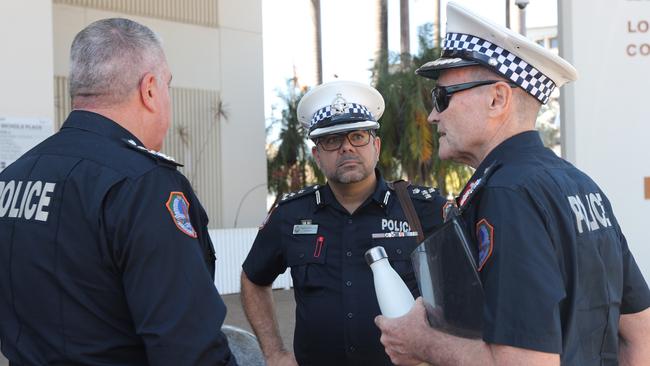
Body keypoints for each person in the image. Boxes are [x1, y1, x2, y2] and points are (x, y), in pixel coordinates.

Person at [375, 3, 650, 366]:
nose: (432, 115)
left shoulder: (507, 194)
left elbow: (527, 361)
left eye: (442, 97)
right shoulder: (581, 185)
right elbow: (639, 337)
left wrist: (421, 342)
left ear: (497, 98)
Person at [0, 18, 236, 365]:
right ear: (151, 89)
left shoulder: (12, 178)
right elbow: (189, 349)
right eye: (168, 85)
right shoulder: (143, 184)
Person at [240, 80, 447, 365]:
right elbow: (253, 279)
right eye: (332, 140)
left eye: (358, 136)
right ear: (317, 156)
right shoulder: (290, 214)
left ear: (375, 145)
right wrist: (274, 353)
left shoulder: (423, 209)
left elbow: (464, 290)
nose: (346, 148)